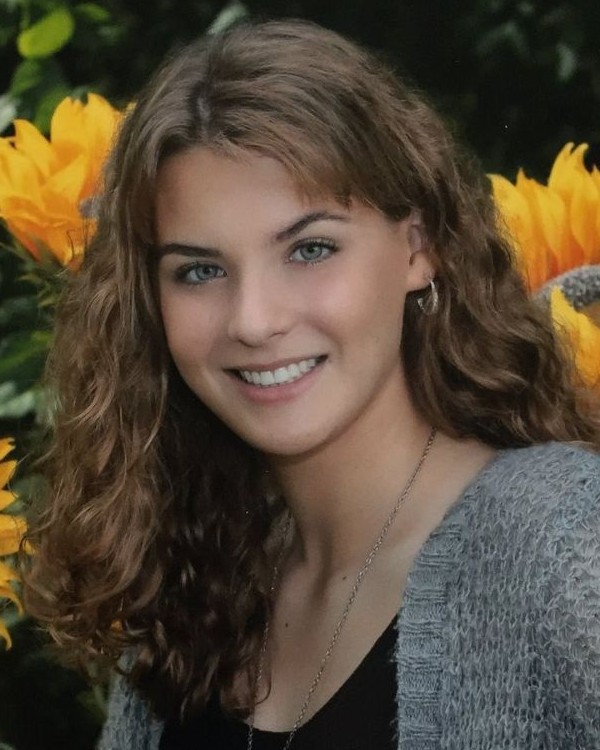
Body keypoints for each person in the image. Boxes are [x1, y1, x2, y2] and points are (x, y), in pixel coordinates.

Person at [24, 18, 600, 750]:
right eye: (199, 270)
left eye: (310, 249)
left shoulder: (561, 543)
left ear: (419, 246)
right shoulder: (193, 579)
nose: (254, 320)